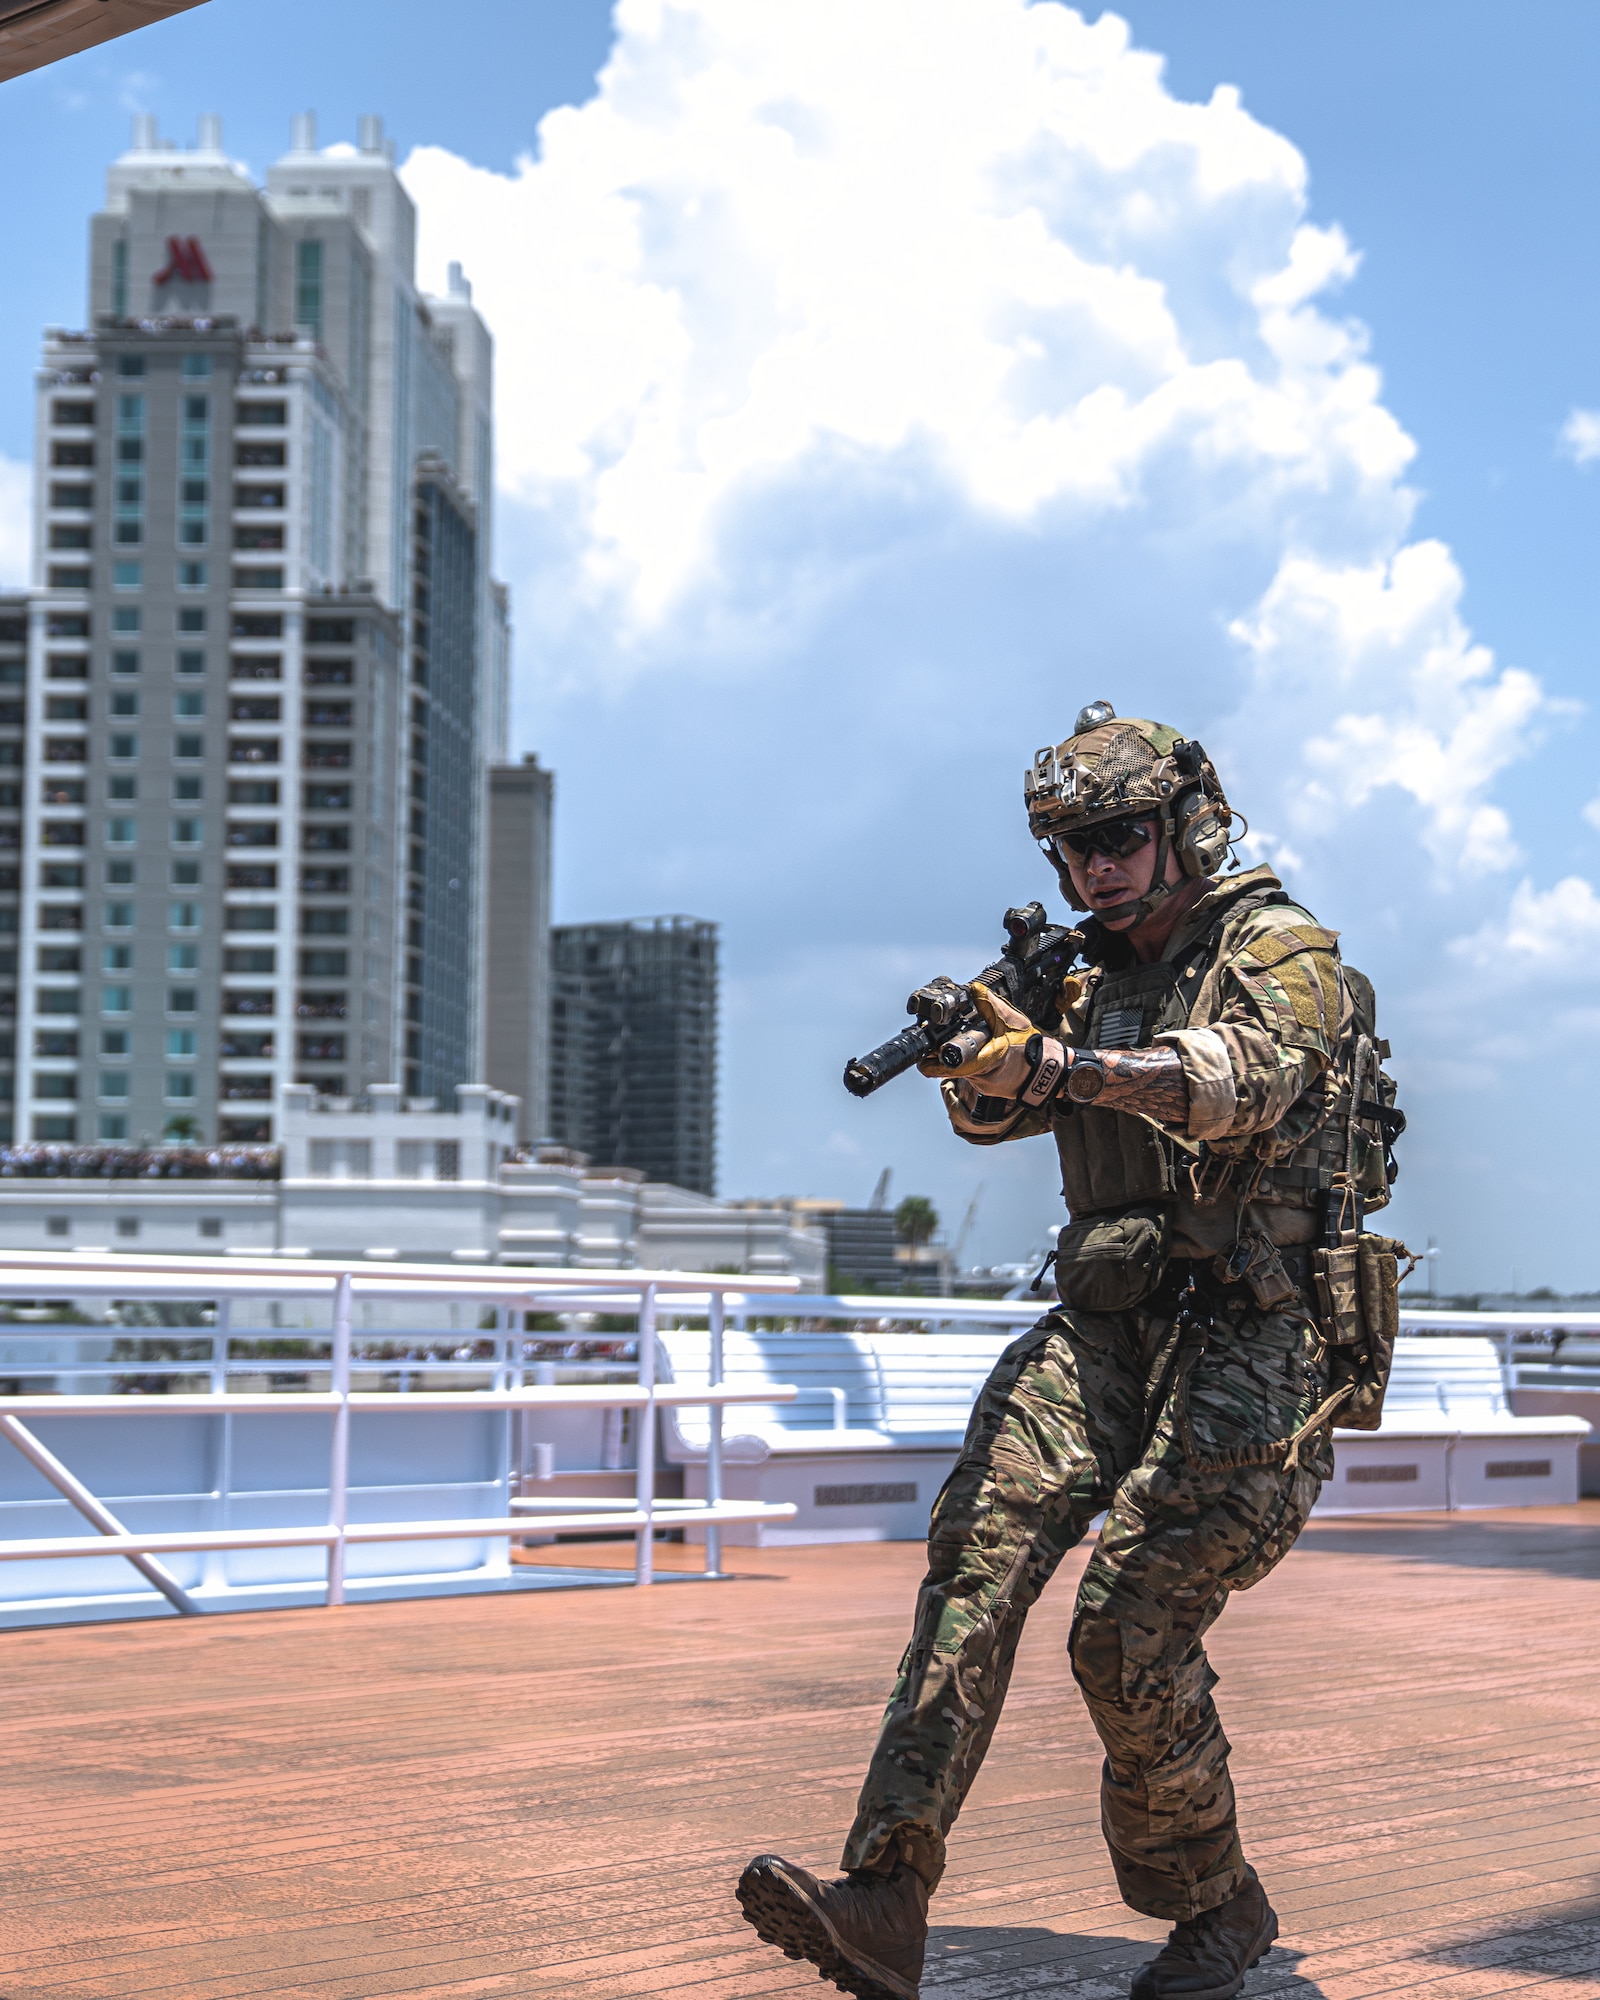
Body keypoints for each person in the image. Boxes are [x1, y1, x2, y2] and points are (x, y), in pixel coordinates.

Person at [738, 704, 1392, 2000]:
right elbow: (997, 1116)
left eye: (1120, 835)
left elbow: (1243, 1079)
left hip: (1259, 1333)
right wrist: (983, 1066)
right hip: (1112, 1319)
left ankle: (1219, 1903)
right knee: (977, 1545)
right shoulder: (1076, 969)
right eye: (1076, 845)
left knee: (1126, 1627)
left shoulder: (1278, 946)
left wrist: (1062, 1065)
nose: (1097, 865)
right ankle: (886, 1895)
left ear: (1181, 826)